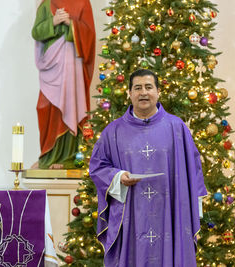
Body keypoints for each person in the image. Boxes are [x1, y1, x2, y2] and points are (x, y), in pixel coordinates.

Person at [89, 69, 208, 266]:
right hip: (130, 215)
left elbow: (193, 170)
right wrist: (118, 177)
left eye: (148, 87)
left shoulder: (176, 128)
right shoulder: (113, 131)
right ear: (129, 94)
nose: (143, 93)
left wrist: (194, 211)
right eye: (137, 88)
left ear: (158, 92)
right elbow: (97, 167)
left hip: (170, 212)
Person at [32, 0, 96, 169]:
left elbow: (90, 34)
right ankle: (49, 155)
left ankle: (71, 157)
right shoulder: (46, 4)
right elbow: (36, 32)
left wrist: (71, 24)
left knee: (72, 107)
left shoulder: (83, 3)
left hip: (73, 67)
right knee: (45, 107)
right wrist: (53, 22)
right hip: (51, 65)